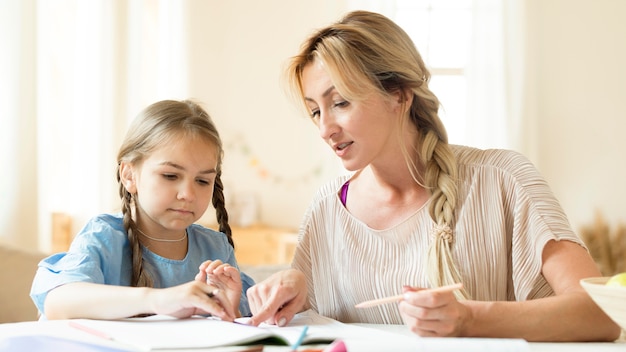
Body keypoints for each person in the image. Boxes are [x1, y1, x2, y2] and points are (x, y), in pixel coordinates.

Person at [245, 10, 621, 342]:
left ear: (400, 95)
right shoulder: (327, 208)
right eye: (315, 112)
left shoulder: (504, 180)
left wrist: (470, 318)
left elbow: (601, 313)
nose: (325, 128)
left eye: (340, 102)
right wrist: (291, 291)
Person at [30, 99, 254, 321]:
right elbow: (57, 303)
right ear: (129, 175)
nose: (188, 193)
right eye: (170, 175)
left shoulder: (215, 248)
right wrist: (159, 299)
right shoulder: (104, 236)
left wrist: (229, 313)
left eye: (203, 181)